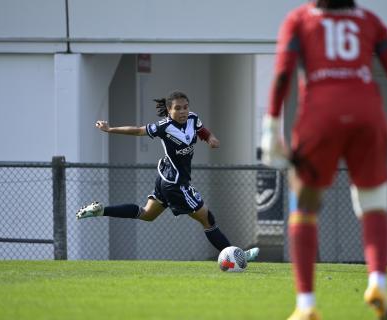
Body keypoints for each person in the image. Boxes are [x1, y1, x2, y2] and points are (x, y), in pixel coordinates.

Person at [260, 1, 387, 319]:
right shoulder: (370, 20)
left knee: (304, 207)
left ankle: (306, 306)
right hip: (368, 117)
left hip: (319, 118)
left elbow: (283, 72)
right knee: (374, 204)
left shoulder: (299, 19)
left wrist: (271, 126)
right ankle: (378, 281)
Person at [76, 90, 259, 262]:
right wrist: (110, 129)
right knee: (207, 218)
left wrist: (209, 138)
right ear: (169, 110)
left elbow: (202, 130)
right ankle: (237, 256)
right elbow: (138, 130)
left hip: (166, 179)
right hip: (175, 183)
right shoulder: (164, 126)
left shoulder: (193, 118)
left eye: (185, 107)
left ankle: (101, 210)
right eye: (177, 108)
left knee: (147, 214)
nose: (183, 111)